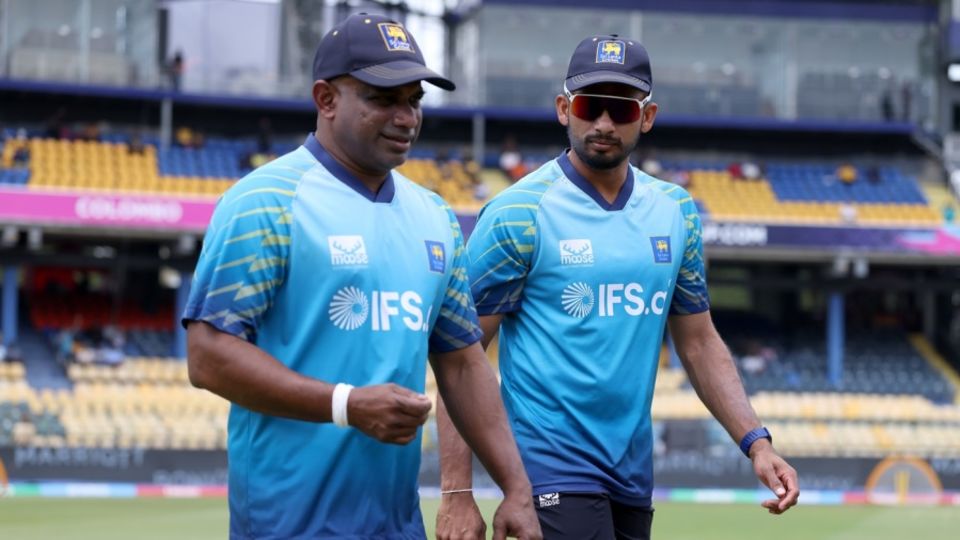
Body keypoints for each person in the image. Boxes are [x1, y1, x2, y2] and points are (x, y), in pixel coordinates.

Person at [182, 13, 540, 540]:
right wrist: (345, 405)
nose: (406, 117)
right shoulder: (265, 202)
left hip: (397, 524)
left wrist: (515, 488)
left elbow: (463, 364)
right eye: (383, 98)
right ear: (326, 99)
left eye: (414, 100)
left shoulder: (435, 217)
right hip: (286, 525)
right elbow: (208, 356)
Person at [436, 34, 799, 540]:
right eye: (590, 106)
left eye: (621, 109)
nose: (604, 123)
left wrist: (757, 443)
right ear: (565, 108)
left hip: (631, 474)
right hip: (546, 469)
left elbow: (697, 341)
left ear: (646, 117)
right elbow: (460, 357)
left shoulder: (675, 211)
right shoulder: (517, 214)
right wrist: (457, 492)